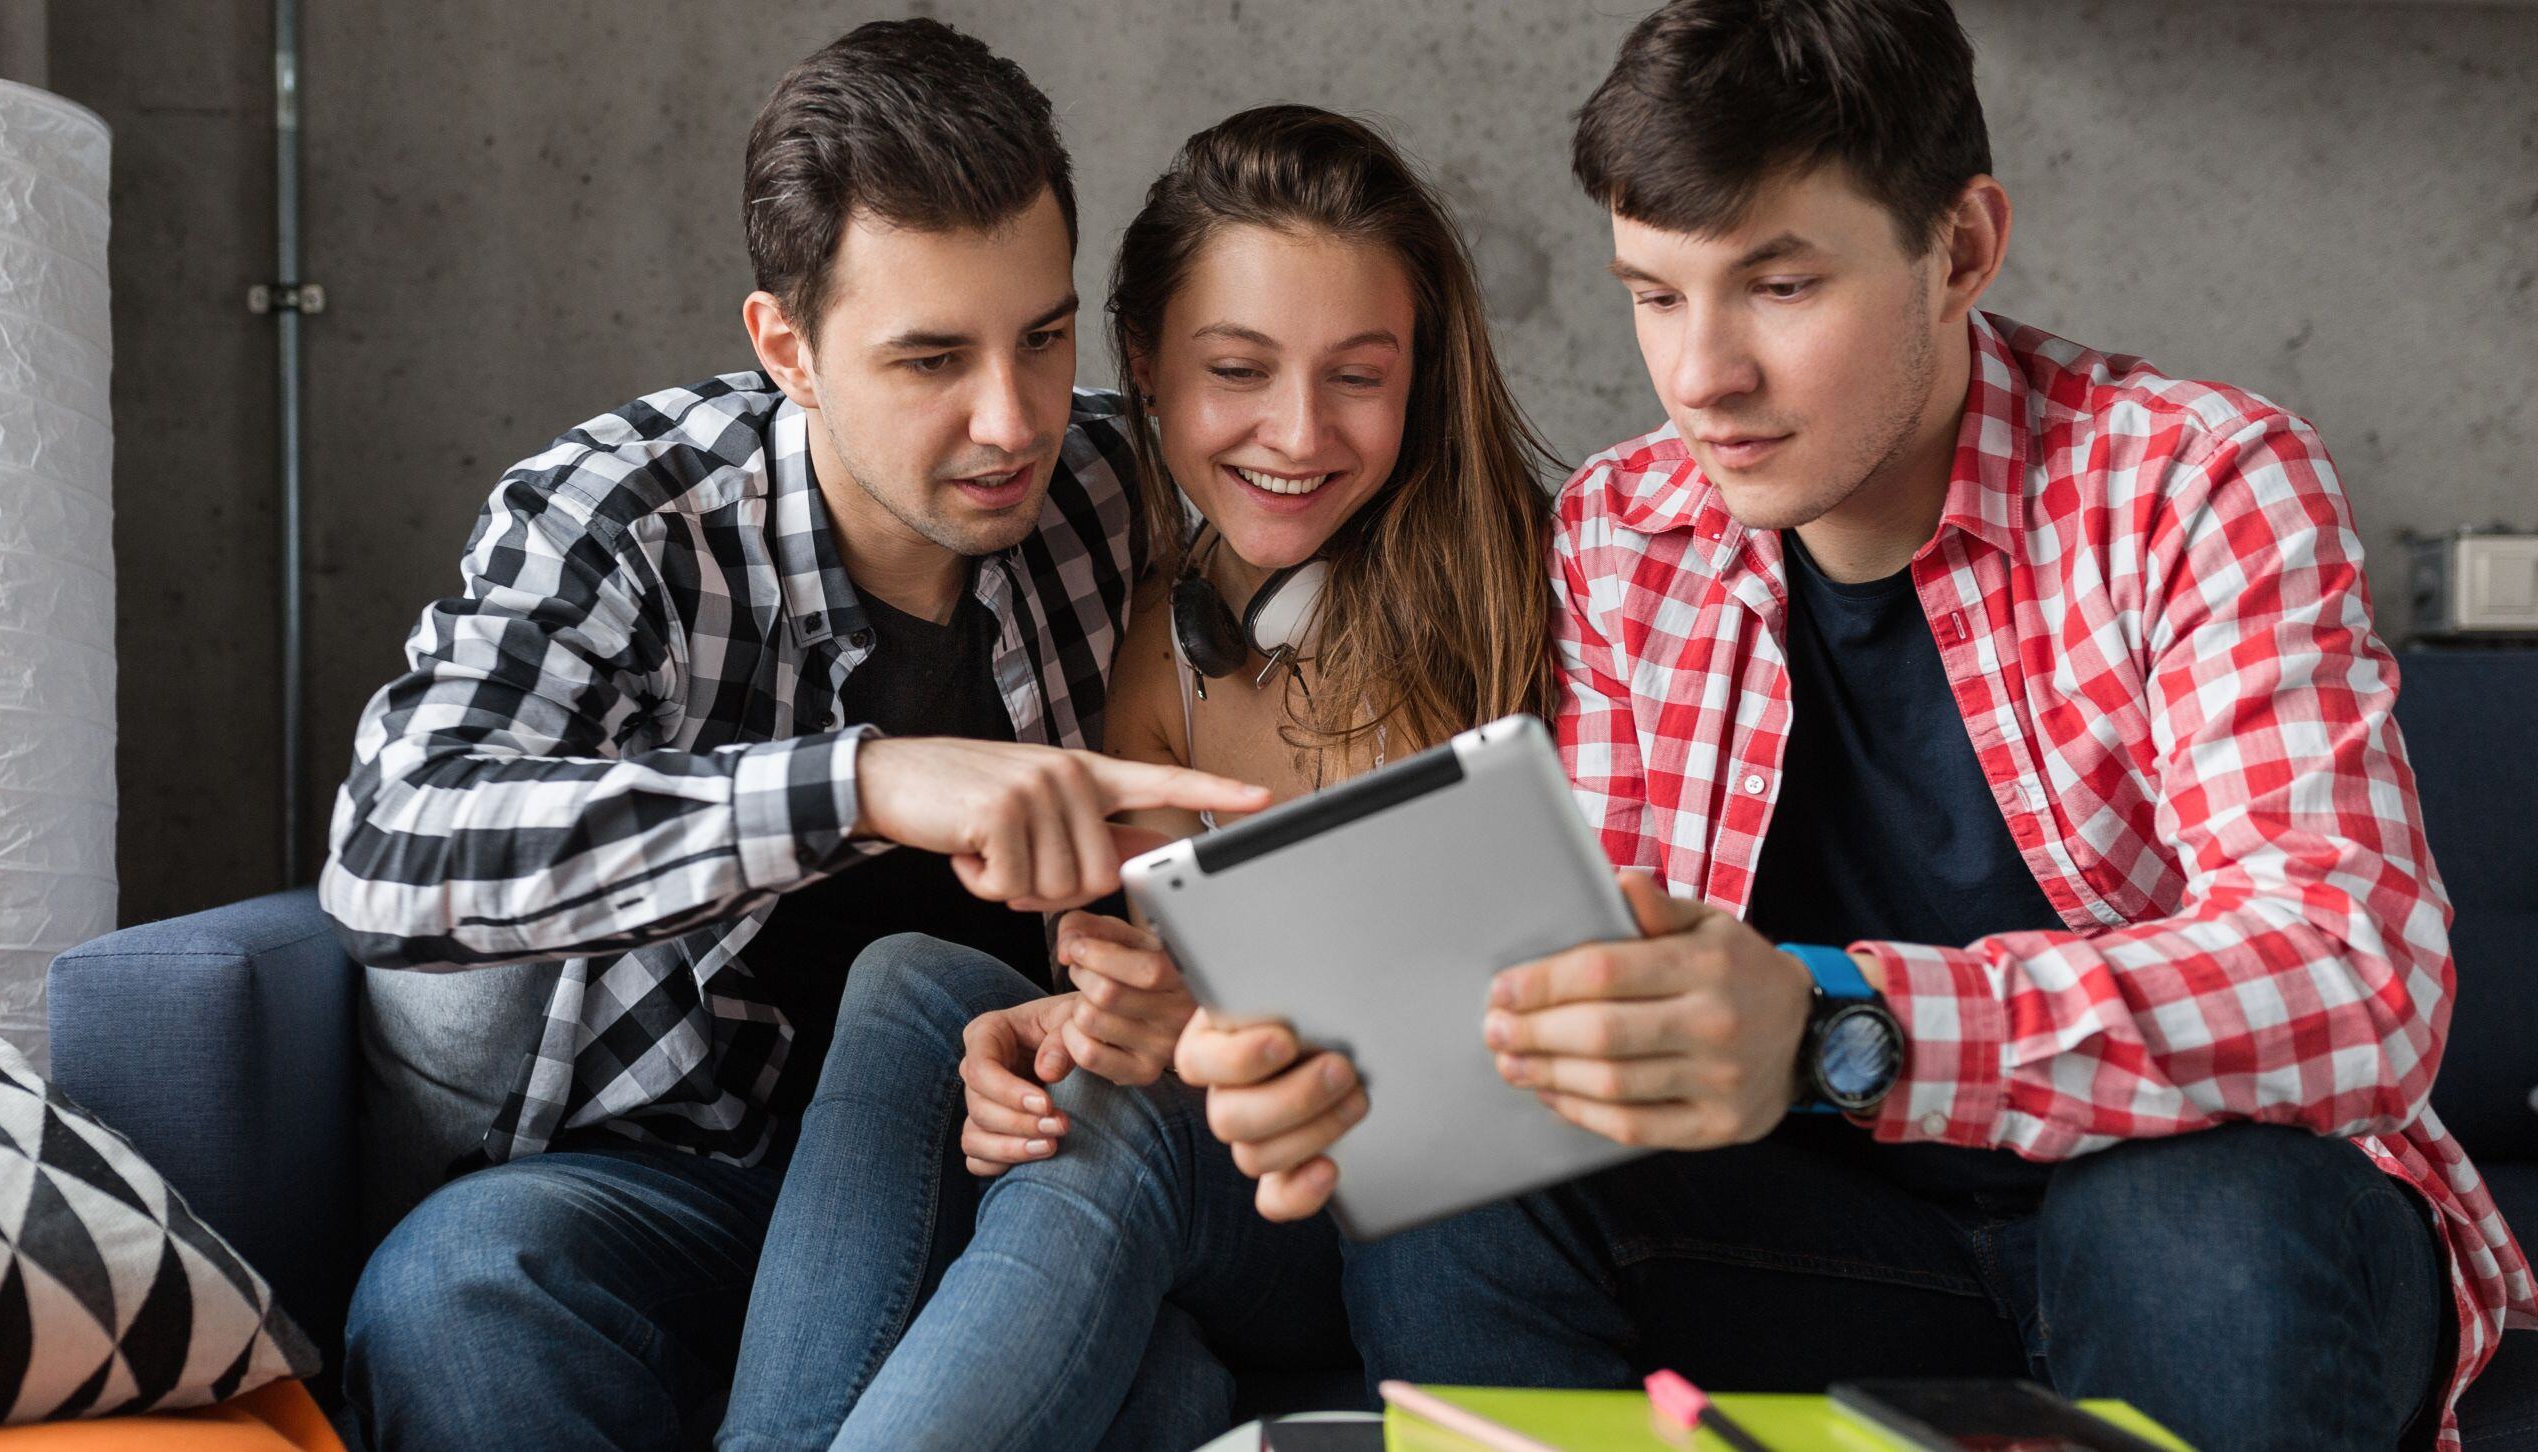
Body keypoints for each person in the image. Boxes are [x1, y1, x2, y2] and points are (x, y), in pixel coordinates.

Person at [1177, 3, 2533, 1449]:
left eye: (1779, 287)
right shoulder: (1629, 532)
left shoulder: (2196, 484)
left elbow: (2354, 977)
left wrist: (1849, 1026)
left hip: (2197, 1229)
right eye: (1654, 295)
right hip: (1838, 1247)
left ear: (1959, 249)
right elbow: (1627, 979)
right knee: (1459, 1200)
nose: (1702, 377)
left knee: (2191, 1213)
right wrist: (1362, 1073)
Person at [315, 21, 1268, 1451]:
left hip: (992, 1152)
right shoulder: (625, 524)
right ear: (789, 349)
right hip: (690, 1165)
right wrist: (869, 781)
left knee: (1160, 1381)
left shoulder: (1116, 491)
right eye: (930, 358)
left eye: (1046, 336)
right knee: (455, 1286)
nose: (1013, 420)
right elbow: (392, 850)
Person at [716, 105, 1558, 1452]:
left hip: (1397, 1203)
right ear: (1148, 370)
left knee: (1114, 1130)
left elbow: (1487, 1039)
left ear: (1422, 377)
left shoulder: (1520, 596)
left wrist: (1176, 1039)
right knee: (915, 990)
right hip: (1228, 1177)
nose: (1297, 430)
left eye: (1360, 373)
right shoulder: (1150, 612)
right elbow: (1150, 973)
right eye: (1238, 368)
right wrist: (1061, 1027)